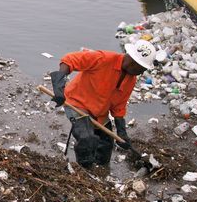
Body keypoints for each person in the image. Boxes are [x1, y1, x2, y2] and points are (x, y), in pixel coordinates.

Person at [49, 39, 156, 167]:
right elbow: (70, 60)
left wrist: (121, 132)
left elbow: (119, 106)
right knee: (87, 138)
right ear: (133, 62)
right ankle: (85, 171)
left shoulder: (130, 80)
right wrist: (59, 82)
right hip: (78, 103)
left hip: (99, 111)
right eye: (141, 68)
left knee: (105, 145)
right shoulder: (103, 58)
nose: (142, 72)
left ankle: (102, 171)